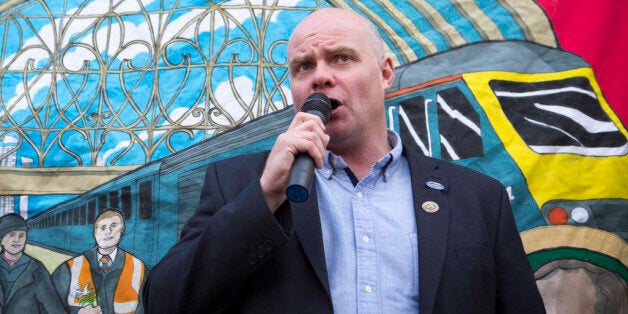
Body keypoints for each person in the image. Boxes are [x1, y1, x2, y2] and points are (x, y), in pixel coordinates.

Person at [142, 8, 545, 313]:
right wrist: (265, 197)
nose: (320, 76)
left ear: (385, 73)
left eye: (341, 59)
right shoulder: (239, 183)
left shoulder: (478, 198)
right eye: (304, 67)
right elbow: (166, 301)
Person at [52, 208, 146, 314]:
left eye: (114, 226)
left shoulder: (139, 267)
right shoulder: (69, 267)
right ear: (95, 232)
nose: (108, 232)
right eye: (103, 227)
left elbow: (147, 305)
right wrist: (77, 311)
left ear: (122, 230)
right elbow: (52, 304)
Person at [0, 213, 66, 313]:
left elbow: (53, 307)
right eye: (11, 235)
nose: (17, 240)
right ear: (1, 239)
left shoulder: (37, 269)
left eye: (21, 235)